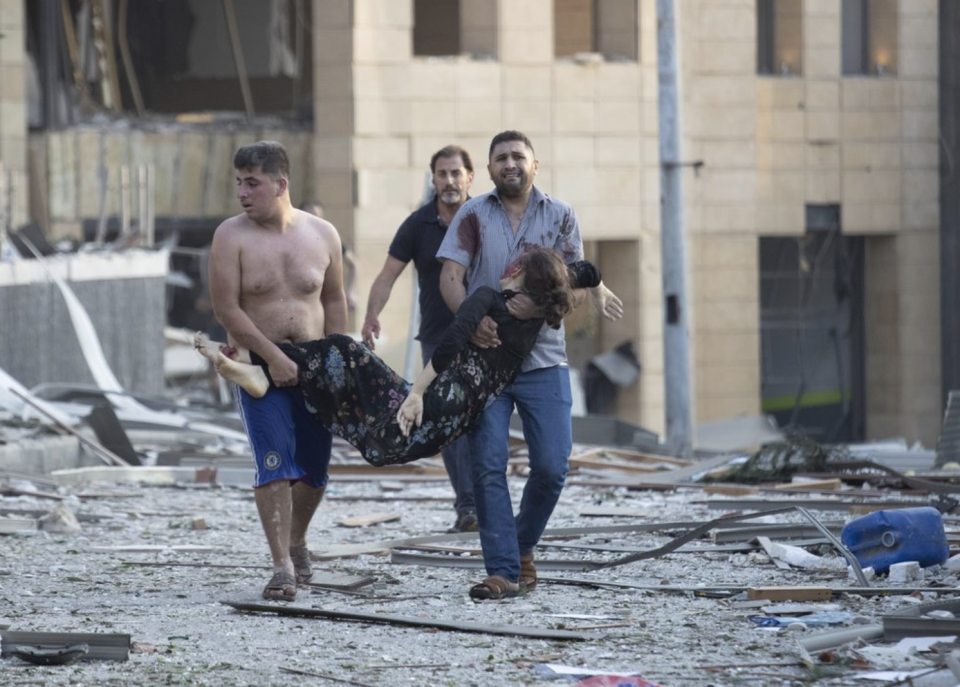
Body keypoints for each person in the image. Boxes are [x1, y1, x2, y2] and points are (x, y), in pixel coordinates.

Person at [195, 248, 620, 470]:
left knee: (344, 359)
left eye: (517, 266)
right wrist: (598, 291)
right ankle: (257, 368)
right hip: (454, 415)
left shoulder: (489, 298)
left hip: (438, 399)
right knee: (342, 357)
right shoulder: (544, 307)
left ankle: (258, 367)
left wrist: (416, 394)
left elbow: (452, 342)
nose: (507, 267)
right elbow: (587, 271)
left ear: (524, 280)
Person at [437, 130, 624, 600]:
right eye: (500, 158)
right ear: (491, 167)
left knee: (552, 466)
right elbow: (451, 276)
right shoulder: (472, 213)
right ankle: (501, 571)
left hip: (545, 360)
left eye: (518, 156)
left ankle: (520, 545)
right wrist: (471, 320)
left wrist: (538, 309)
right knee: (487, 467)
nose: (510, 163)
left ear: (535, 165)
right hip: (488, 364)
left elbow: (577, 282)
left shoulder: (561, 216)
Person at [208, 141, 348, 603]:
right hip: (258, 371)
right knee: (274, 462)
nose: (242, 193)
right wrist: (273, 356)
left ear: (280, 184)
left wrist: (338, 361)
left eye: (253, 183)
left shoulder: (323, 233)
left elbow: (332, 300)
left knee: (315, 470)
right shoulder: (231, 236)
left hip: (313, 367)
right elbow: (226, 308)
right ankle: (281, 566)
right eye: (239, 184)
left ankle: (297, 539)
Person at [361, 145, 479, 532]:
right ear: (433, 180)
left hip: (485, 335)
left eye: (456, 173)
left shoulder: (486, 217)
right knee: (446, 422)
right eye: (442, 174)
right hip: (437, 339)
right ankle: (467, 507)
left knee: (481, 421)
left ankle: (485, 500)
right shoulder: (417, 224)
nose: (449, 181)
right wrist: (371, 315)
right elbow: (387, 274)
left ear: (469, 177)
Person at [300, 200, 359, 315]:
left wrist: (351, 292)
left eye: (317, 219)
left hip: (325, 300)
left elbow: (354, 264)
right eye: (310, 218)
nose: (314, 223)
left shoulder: (329, 239)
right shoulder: (292, 240)